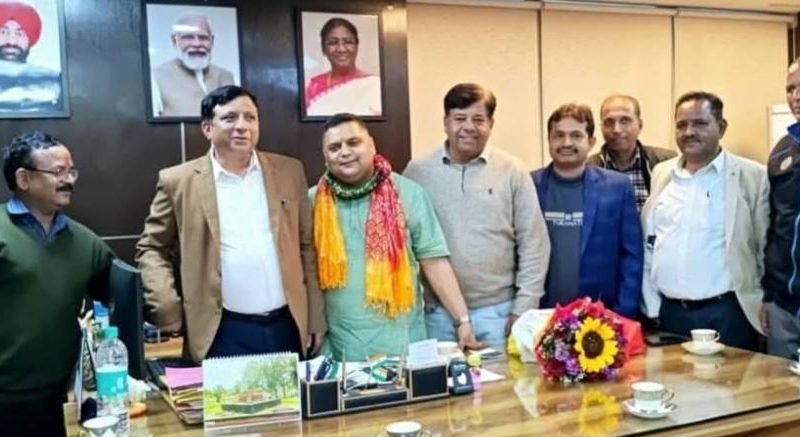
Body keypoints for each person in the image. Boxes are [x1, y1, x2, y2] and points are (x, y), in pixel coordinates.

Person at [136, 85, 324, 362]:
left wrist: (315, 317)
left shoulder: (289, 171)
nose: (242, 126)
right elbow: (151, 248)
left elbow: (306, 246)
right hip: (220, 332)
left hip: (287, 326)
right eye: (230, 118)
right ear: (207, 128)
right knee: (228, 394)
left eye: (250, 118)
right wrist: (166, 307)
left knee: (289, 394)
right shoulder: (178, 182)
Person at [310, 113, 483, 360]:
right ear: (325, 157)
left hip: (402, 343)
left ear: (371, 145)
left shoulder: (409, 194)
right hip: (340, 347)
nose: (344, 152)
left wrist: (462, 320)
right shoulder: (311, 202)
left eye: (353, 143)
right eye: (334, 147)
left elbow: (434, 261)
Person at [403, 83, 550, 352]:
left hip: (499, 315)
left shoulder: (513, 171)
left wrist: (523, 309)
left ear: (491, 124)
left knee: (500, 381)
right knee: (441, 381)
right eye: (460, 118)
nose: (469, 127)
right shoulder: (418, 171)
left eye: (478, 119)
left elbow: (534, 245)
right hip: (437, 315)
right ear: (446, 122)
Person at [0, 131, 114, 437]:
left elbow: (120, 293)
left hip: (57, 396)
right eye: (58, 172)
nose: (68, 180)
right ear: (23, 179)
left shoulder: (85, 241)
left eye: (71, 171)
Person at [641, 91, 768, 351]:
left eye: (699, 123)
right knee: (673, 379)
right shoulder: (662, 173)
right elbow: (652, 240)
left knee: (732, 378)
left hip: (728, 313)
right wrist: (651, 304)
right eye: (681, 125)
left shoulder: (752, 176)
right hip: (670, 314)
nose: (689, 132)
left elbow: (765, 246)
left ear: (721, 127)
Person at [532, 103, 643, 318]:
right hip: (540, 316)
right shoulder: (529, 185)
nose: (566, 143)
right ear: (548, 140)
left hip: (602, 318)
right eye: (559, 135)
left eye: (576, 135)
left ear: (591, 141)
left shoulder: (617, 187)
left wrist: (622, 314)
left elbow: (632, 256)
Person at [762, 59, 800, 359]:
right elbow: (774, 226)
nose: (795, 96)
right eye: (790, 89)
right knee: (778, 384)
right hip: (784, 305)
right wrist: (768, 296)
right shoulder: (782, 151)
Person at [588, 94, 676, 211]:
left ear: (640, 125)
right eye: (609, 122)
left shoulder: (666, 162)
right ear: (601, 128)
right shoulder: (588, 168)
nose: (616, 130)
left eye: (625, 121)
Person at [152, 12, 235, 117]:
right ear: (174, 41)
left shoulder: (228, 77)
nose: (197, 44)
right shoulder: (156, 77)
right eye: (188, 37)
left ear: (212, 41)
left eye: (203, 37)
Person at [304, 17, 381, 117]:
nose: (341, 49)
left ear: (357, 47)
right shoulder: (312, 87)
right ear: (323, 49)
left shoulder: (374, 85)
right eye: (333, 43)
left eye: (348, 42)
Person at [0, 2, 64, 113]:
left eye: (20, 34)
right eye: (3, 32)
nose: (11, 41)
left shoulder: (55, 82)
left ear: (30, 38)